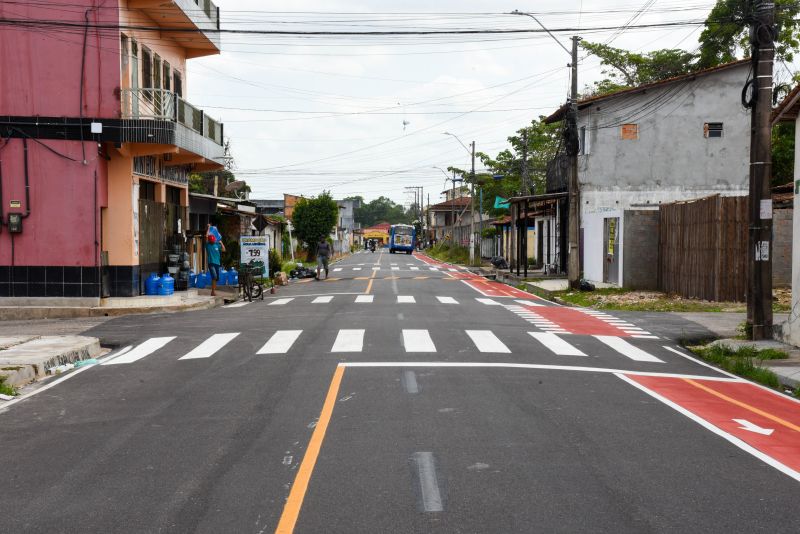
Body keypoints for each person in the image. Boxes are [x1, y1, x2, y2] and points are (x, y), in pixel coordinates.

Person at [205, 232, 226, 296]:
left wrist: (221, 243)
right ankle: (213, 292)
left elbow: (224, 250)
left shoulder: (217, 245)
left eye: (213, 241)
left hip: (217, 263)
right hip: (211, 263)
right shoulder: (208, 245)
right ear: (209, 241)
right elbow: (206, 236)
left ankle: (213, 291)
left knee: (216, 278)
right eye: (211, 241)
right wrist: (208, 228)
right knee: (214, 276)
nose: (212, 242)